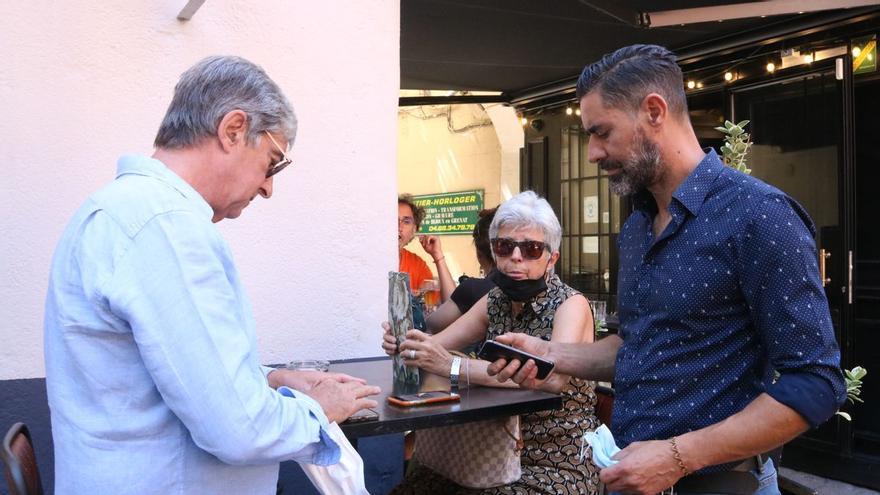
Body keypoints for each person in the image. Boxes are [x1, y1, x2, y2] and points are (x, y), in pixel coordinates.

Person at [487, 44, 846, 495]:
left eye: (602, 132)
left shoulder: (760, 216)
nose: (593, 153)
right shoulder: (638, 224)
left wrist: (678, 457)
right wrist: (550, 354)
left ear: (654, 111)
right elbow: (638, 345)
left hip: (721, 485)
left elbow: (815, 382)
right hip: (632, 479)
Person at [43, 55, 380, 494]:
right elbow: (239, 429)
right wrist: (318, 407)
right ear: (233, 129)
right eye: (273, 161)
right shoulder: (165, 225)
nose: (268, 187)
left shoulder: (127, 211)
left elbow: (171, 370)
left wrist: (272, 379)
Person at [383, 191, 601, 495]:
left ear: (552, 258)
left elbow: (550, 378)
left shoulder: (570, 305)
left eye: (531, 249)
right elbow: (438, 343)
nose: (516, 257)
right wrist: (407, 342)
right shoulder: (495, 300)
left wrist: (451, 365)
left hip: (552, 458)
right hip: (486, 453)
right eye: (504, 246)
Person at [425, 207, 498, 333]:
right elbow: (455, 302)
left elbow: (432, 325)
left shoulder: (477, 289)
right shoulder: (533, 292)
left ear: (479, 253)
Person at [398, 194, 456, 301]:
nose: (399, 227)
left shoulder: (417, 264)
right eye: (393, 219)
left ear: (414, 230)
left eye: (406, 222)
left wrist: (437, 256)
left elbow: (450, 304)